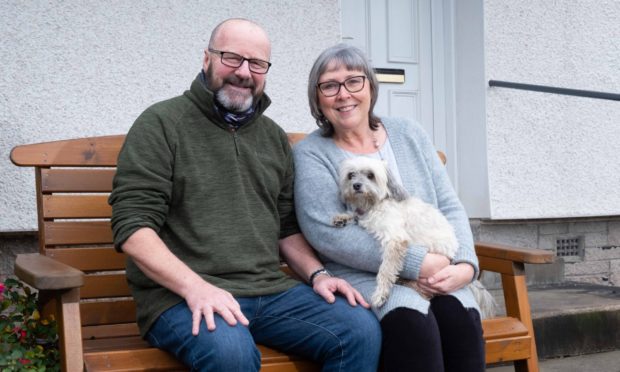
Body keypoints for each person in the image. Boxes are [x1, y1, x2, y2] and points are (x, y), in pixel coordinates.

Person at [108, 20, 381, 372]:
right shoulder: (161, 123)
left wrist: (318, 275)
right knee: (230, 354)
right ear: (206, 58)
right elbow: (133, 227)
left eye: (257, 64)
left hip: (270, 292)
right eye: (231, 58)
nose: (243, 72)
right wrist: (195, 288)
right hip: (180, 296)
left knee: (359, 330)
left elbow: (286, 226)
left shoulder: (272, 137)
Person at [293, 43, 485, 372]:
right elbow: (327, 231)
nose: (343, 94)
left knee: (461, 321)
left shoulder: (409, 133)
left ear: (370, 85)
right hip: (365, 274)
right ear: (317, 97)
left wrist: (466, 265)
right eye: (330, 85)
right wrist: (419, 264)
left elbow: (450, 206)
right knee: (414, 326)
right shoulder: (311, 153)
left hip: (440, 268)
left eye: (354, 81)